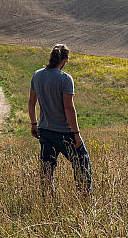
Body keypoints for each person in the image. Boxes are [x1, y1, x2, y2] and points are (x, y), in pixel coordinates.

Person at [28, 44, 92, 193]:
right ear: (65, 60)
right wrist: (76, 134)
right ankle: (84, 197)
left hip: (44, 130)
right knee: (82, 164)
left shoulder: (37, 75)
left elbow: (32, 102)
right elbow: (68, 108)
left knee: (46, 169)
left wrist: (34, 123)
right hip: (65, 132)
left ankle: (48, 199)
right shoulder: (65, 79)